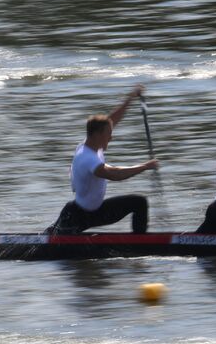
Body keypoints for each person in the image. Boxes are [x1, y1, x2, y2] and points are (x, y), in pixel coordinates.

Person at [46, 86, 160, 234]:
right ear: (97, 135)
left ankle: (140, 243)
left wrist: (131, 97)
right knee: (50, 240)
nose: (111, 138)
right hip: (78, 215)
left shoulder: (90, 144)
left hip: (96, 210)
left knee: (139, 203)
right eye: (108, 134)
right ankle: (139, 245)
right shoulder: (88, 158)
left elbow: (112, 120)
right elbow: (114, 174)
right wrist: (144, 166)